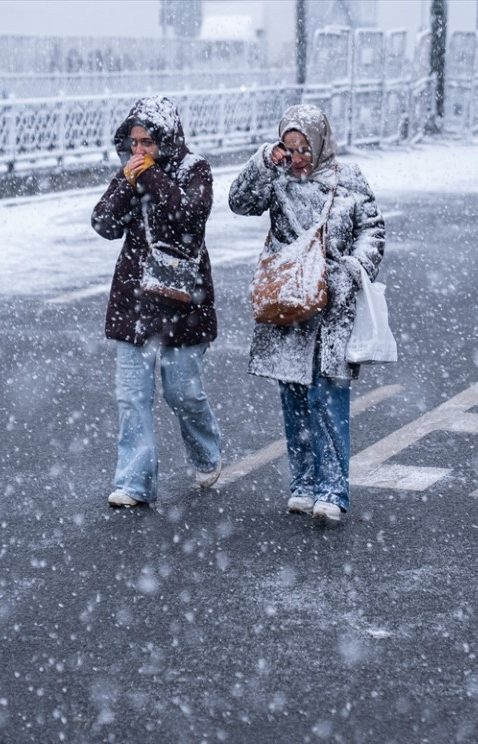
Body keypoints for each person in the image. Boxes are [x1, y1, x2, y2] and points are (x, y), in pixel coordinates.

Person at [228, 104, 385, 522]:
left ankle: (332, 490)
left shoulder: (347, 179)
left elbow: (373, 228)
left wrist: (354, 269)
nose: (296, 158)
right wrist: (263, 161)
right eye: (288, 147)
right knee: (293, 394)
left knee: (328, 396)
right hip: (289, 303)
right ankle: (303, 483)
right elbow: (239, 202)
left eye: (303, 148)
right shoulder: (276, 178)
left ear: (319, 144)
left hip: (333, 305)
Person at [91, 96, 222, 508]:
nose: (139, 151)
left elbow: (189, 213)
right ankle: (134, 482)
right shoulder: (130, 173)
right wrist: (126, 184)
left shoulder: (194, 169)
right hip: (135, 298)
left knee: (182, 393)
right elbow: (103, 223)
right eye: (134, 143)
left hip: (183, 298)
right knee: (131, 397)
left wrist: (150, 178)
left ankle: (206, 452)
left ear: (166, 139)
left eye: (148, 142)